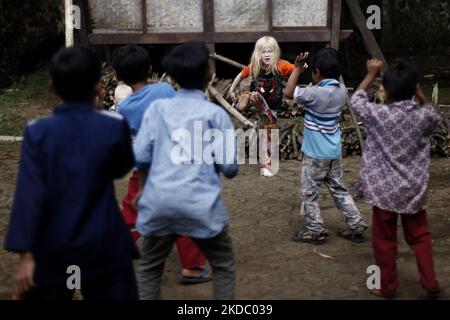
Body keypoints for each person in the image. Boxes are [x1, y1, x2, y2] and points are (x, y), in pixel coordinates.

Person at [4, 47, 139, 300]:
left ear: (53, 86)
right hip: (104, 244)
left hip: (55, 246)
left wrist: (25, 253)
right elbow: (121, 167)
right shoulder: (114, 125)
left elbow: (29, 195)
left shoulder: (37, 132)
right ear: (98, 86)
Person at [134, 42, 238, 300]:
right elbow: (230, 168)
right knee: (223, 266)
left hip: (159, 204)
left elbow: (140, 156)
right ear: (209, 75)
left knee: (148, 269)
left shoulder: (157, 110)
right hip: (201, 205)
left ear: (171, 76)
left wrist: (143, 189)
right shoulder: (216, 115)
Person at [112, 44, 212, 284]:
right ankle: (192, 268)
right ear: (150, 69)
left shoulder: (124, 107)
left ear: (118, 77)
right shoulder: (164, 90)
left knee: (132, 210)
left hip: (144, 171)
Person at [350, 59, 442, 299]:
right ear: (414, 90)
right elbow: (433, 112)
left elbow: (356, 99)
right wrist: (417, 89)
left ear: (386, 91)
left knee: (384, 240)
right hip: (413, 190)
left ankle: (388, 287)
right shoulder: (423, 118)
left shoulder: (378, 114)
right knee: (420, 236)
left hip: (383, 192)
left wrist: (371, 74)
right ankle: (430, 282)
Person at [284, 48, 367, 245]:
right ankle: (356, 224)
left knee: (308, 193)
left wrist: (296, 68)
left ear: (317, 72)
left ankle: (316, 230)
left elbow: (288, 92)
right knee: (339, 189)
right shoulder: (340, 91)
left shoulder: (314, 93)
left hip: (314, 154)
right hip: (333, 152)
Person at [228, 36, 296, 177]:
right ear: (258, 53)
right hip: (258, 103)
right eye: (263, 52)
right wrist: (231, 89)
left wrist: (303, 67)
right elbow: (240, 75)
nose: (266, 55)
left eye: (270, 51)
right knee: (257, 98)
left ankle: (266, 163)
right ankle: (247, 97)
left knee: (267, 133)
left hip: (273, 108)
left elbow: (296, 70)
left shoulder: (281, 65)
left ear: (275, 52)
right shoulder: (255, 67)